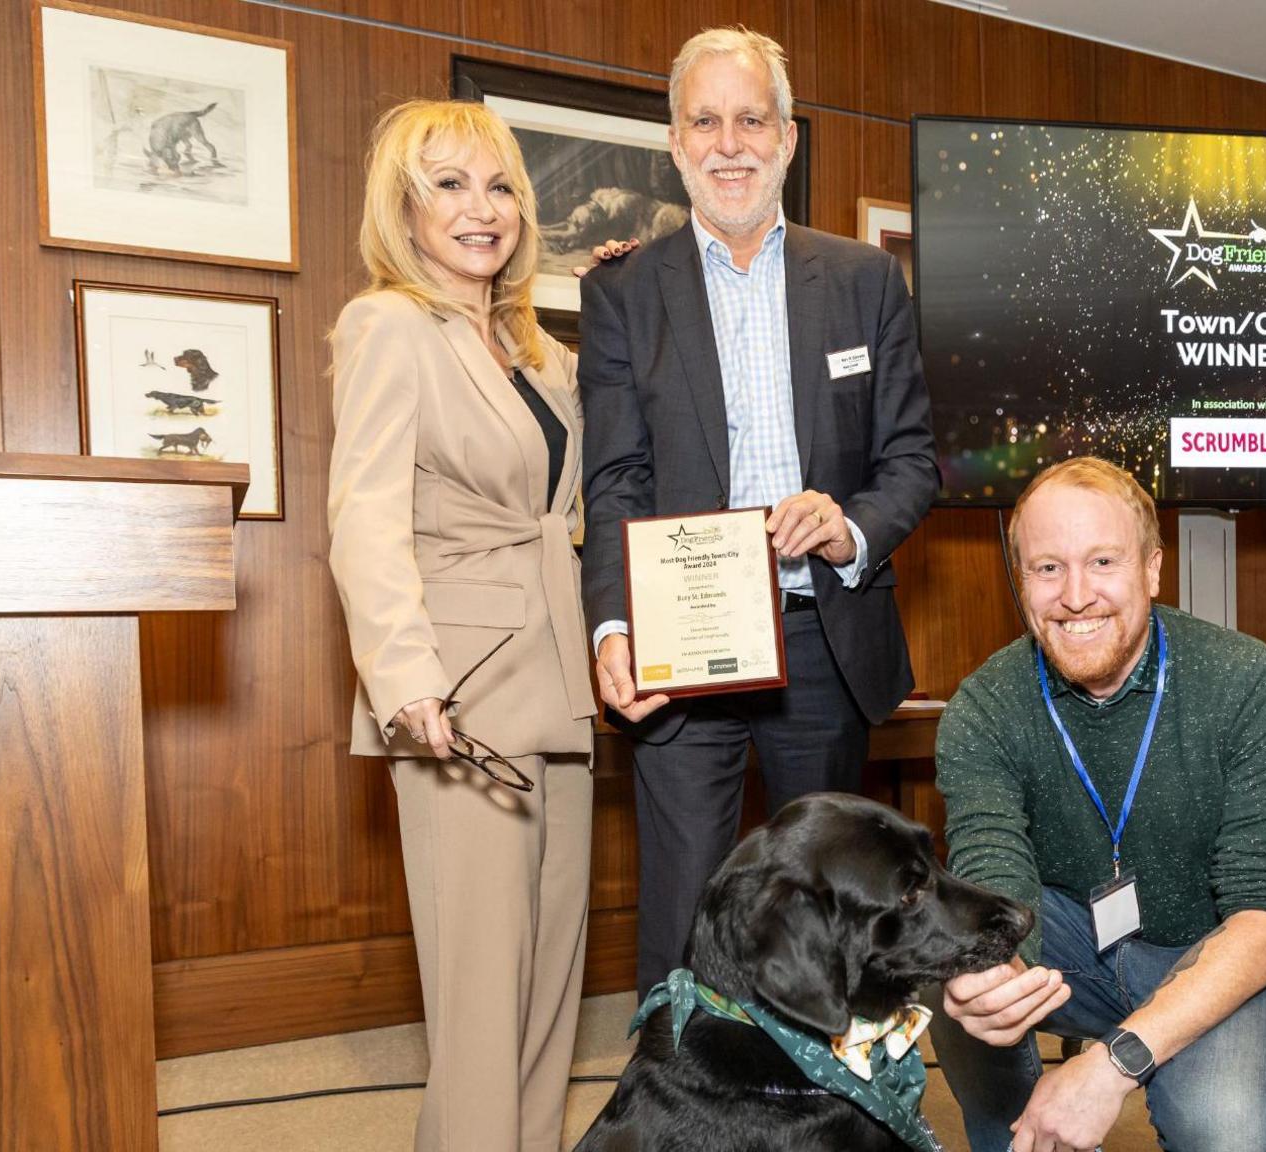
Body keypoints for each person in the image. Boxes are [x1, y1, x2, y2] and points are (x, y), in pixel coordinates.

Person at [577, 25, 938, 991]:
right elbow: (614, 478)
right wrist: (613, 622)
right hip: (681, 646)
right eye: (705, 120)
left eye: (752, 119)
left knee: (833, 913)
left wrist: (851, 525)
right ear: (674, 142)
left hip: (824, 637)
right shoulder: (621, 292)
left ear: (787, 138)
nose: (729, 142)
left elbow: (911, 460)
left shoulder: (864, 282)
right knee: (689, 910)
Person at [326, 98, 596, 1152]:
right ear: (403, 207)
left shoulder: (531, 349)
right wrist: (405, 680)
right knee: (482, 1000)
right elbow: (363, 514)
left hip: (560, 684)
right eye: (447, 184)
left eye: (498, 188)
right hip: (460, 694)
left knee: (544, 995)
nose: (479, 209)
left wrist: (617, 294)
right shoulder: (388, 324)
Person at [927, 457, 1266, 1152]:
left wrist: (1111, 1068)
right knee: (941, 941)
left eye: (1102, 561)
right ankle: (1022, 1135)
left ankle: (1091, 1086)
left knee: (1227, 1133)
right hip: (1073, 944)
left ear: (1152, 569)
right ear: (1021, 580)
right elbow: (991, 875)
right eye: (1047, 568)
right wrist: (990, 979)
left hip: (1216, 947)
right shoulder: (984, 706)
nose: (1075, 596)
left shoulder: (1245, 679)